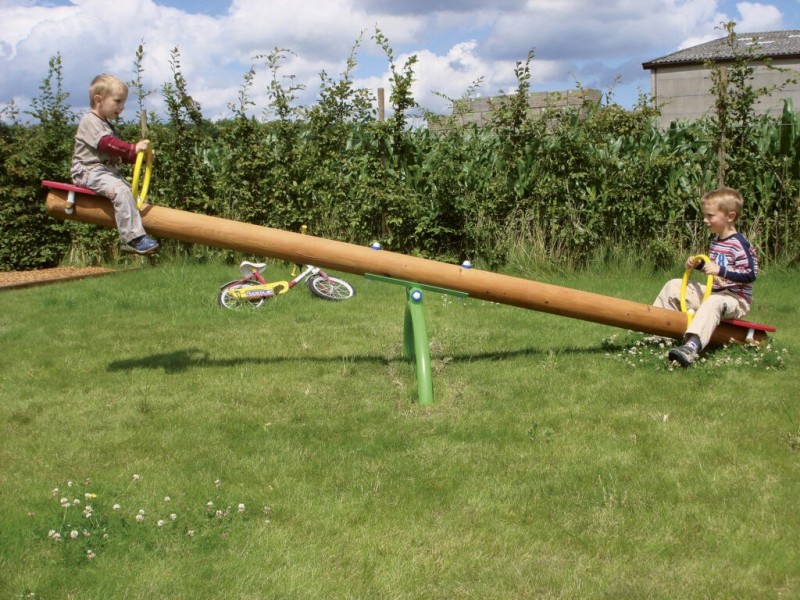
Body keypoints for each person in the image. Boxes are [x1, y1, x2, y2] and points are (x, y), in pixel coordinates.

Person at [653, 187, 758, 367]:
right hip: (714, 291)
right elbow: (714, 274)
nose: (705, 220)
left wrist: (720, 270)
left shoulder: (739, 244)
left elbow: (750, 274)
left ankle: (691, 347)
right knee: (674, 285)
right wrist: (699, 265)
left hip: (735, 299)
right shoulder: (716, 241)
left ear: (730, 216)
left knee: (714, 302)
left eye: (710, 216)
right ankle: (658, 332)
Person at [71, 73, 158, 255]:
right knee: (121, 190)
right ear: (98, 100)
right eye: (118, 101)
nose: (122, 107)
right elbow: (107, 145)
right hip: (88, 170)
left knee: (131, 196)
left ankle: (137, 233)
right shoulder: (90, 121)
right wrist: (133, 148)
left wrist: (139, 157)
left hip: (104, 171)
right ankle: (133, 238)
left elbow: (118, 154)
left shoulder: (107, 125)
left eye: (123, 102)